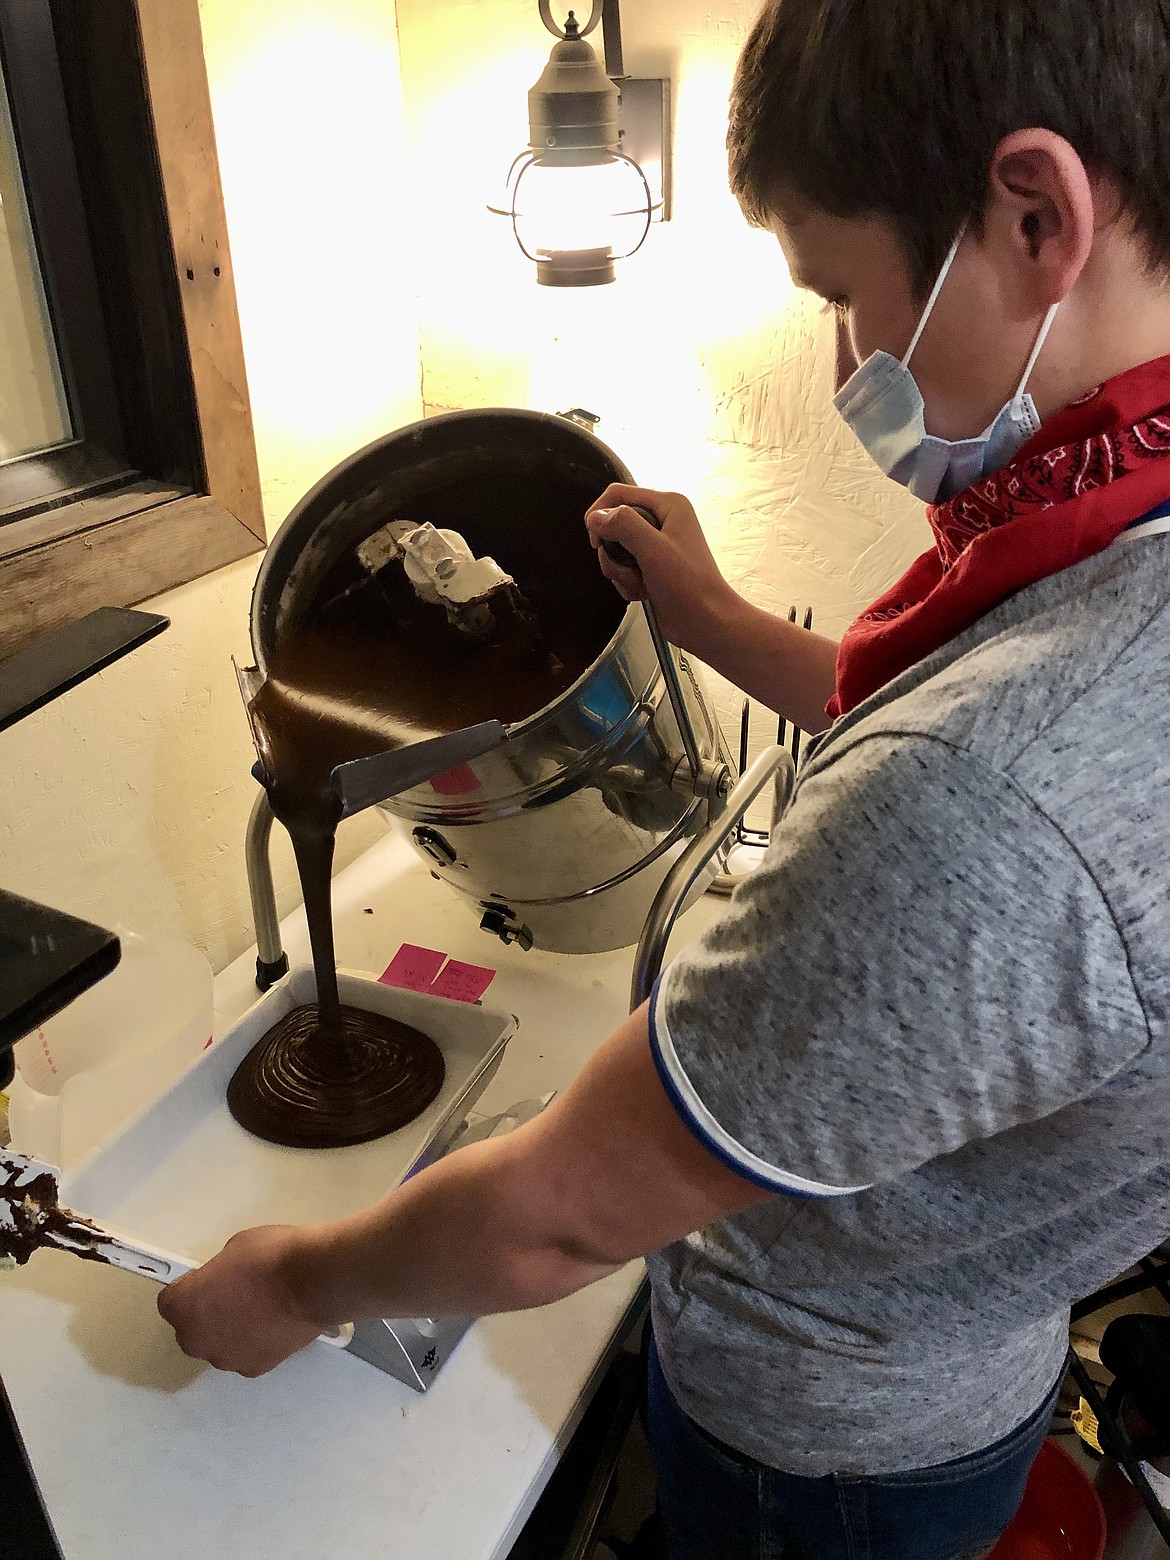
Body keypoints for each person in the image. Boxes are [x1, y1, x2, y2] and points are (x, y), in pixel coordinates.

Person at [159, 0, 1170, 1554]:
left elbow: (562, 1209)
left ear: (1032, 215)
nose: (847, 364)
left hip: (822, 1451)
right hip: (964, 1354)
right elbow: (982, 719)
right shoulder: (1110, 547)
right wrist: (707, 625)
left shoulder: (987, 803)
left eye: (841, 294)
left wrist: (290, 1282)